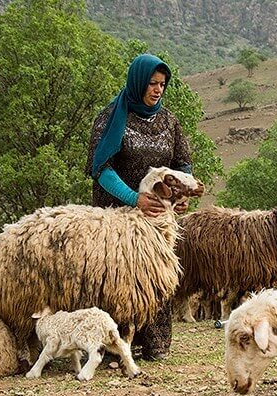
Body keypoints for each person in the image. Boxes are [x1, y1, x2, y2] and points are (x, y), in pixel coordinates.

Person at [86, 53, 193, 360]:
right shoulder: (111, 117)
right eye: (151, 83)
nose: (157, 90)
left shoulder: (169, 120)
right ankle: (112, 343)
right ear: (137, 82)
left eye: (162, 84)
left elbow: (182, 163)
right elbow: (101, 169)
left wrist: (182, 193)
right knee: (116, 279)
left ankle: (154, 342)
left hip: (158, 219)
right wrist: (134, 199)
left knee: (155, 275)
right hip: (117, 217)